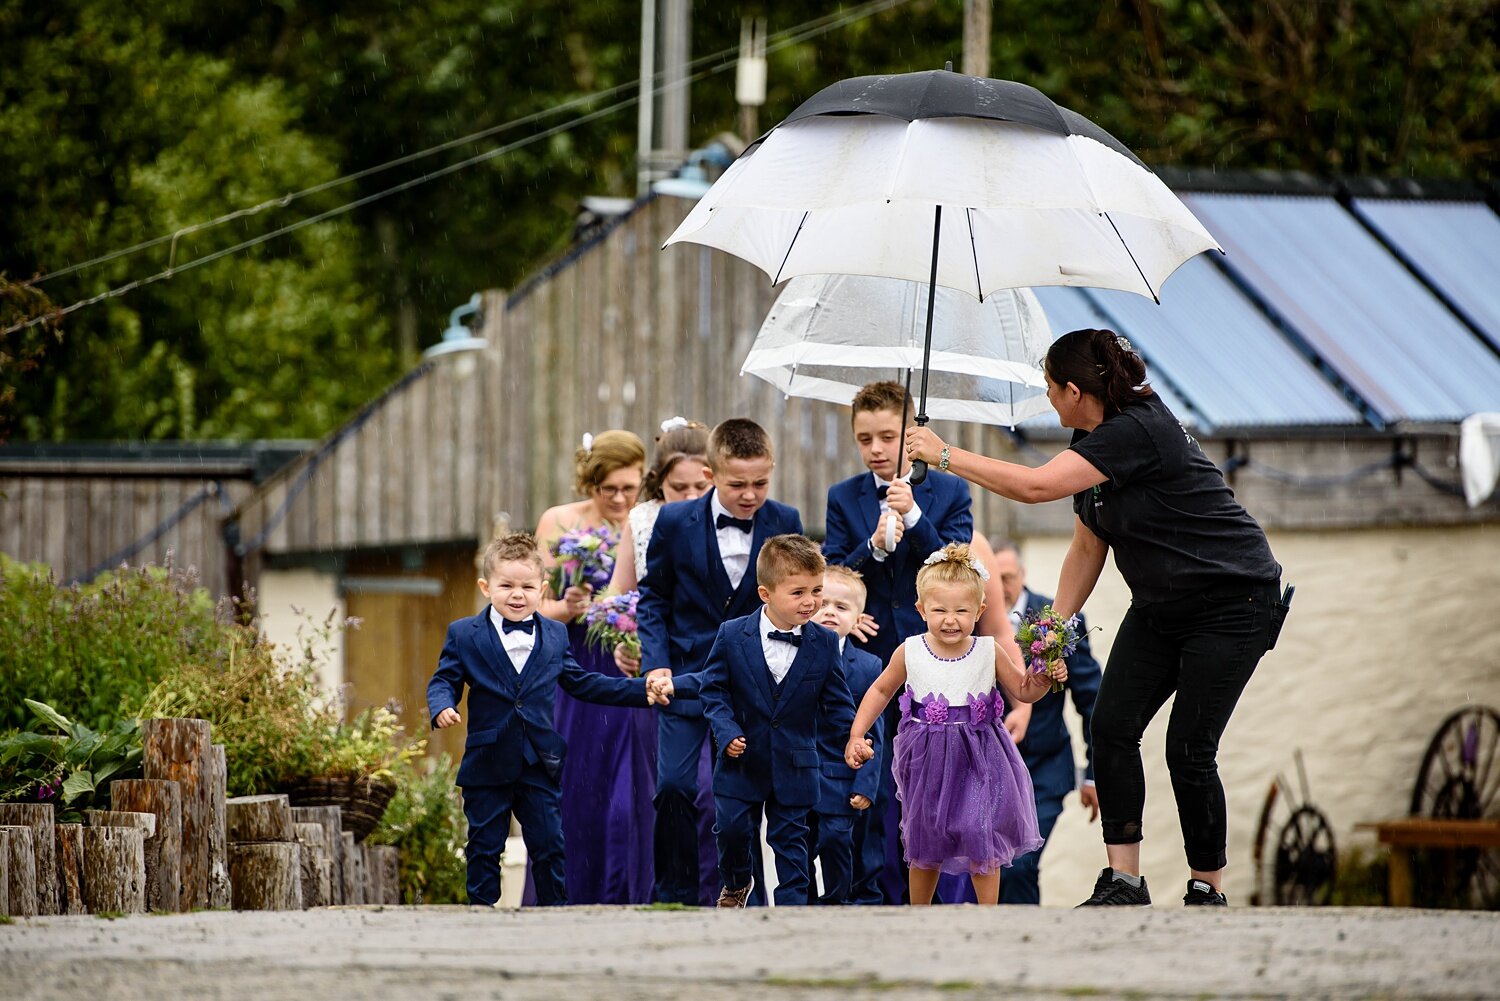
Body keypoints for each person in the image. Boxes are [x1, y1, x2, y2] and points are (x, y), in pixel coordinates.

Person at [904, 328, 1283, 907]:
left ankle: (1208, 887)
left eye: (1052, 389)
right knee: (1111, 726)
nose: (1050, 401)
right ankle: (1124, 881)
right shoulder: (1092, 439)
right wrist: (1051, 634)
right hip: (1161, 607)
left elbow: (1033, 488)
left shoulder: (1137, 428)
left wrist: (945, 454)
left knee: (1188, 745)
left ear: (1075, 390)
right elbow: (1087, 549)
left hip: (1233, 602)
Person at [426, 533, 674, 907]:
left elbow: (584, 683)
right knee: (483, 845)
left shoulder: (556, 635)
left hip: (539, 761)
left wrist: (641, 689)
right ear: (485, 587)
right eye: (506, 585)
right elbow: (444, 678)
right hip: (487, 761)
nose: (516, 594)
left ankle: (554, 914)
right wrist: (443, 705)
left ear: (542, 590)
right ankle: (480, 914)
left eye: (526, 586)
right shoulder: (464, 634)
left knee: (550, 844)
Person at [637, 418, 802, 905]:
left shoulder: (784, 519)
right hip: (684, 677)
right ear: (710, 473)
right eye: (737, 484)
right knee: (671, 786)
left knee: (741, 797)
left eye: (760, 483)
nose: (750, 495)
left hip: (751, 684)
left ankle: (745, 893)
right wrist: (655, 661)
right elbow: (653, 598)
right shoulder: (673, 522)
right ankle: (675, 894)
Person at [823, 379, 973, 904]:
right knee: (874, 781)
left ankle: (935, 899)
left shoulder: (950, 491)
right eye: (865, 439)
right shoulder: (843, 497)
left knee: (935, 782)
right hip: (870, 662)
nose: (876, 449)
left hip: (934, 656)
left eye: (887, 435)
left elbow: (960, 567)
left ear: (911, 434)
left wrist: (914, 518)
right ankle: (873, 895)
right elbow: (835, 574)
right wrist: (874, 550)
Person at [844, 542, 1057, 905]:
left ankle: (986, 912)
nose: (950, 619)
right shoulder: (909, 650)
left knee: (980, 833)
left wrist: (1043, 675)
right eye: (939, 609)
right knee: (925, 837)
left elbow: (1023, 691)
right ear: (921, 609)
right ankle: (920, 911)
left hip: (980, 756)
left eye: (962, 610)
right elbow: (880, 691)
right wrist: (856, 733)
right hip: (926, 759)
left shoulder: (989, 650)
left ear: (981, 610)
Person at [669, 534, 855, 906]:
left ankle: (793, 913)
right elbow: (713, 690)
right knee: (733, 831)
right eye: (798, 592)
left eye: (816, 591)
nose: (811, 602)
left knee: (792, 844)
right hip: (741, 761)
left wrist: (855, 737)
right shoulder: (732, 634)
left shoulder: (823, 642)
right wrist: (726, 730)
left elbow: (837, 703)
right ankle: (738, 882)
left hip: (796, 763)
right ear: (766, 594)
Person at [533, 429, 654, 904]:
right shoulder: (559, 522)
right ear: (590, 483)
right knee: (580, 786)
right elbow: (534, 606)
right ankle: (570, 894)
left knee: (631, 791)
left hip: (633, 663)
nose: (621, 498)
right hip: (577, 666)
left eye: (631, 487)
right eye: (610, 490)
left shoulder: (649, 522)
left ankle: (625, 892)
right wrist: (569, 607)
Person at [981, 537, 1102, 906]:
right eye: (993, 578)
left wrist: (1094, 773)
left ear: (1023, 573)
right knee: (985, 864)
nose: (1002, 587)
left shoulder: (1055, 620)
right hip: (988, 768)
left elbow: (1091, 699)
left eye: (1009, 577)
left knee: (1018, 862)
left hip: (1043, 767)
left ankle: (1024, 940)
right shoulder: (970, 616)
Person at [807, 565, 885, 905]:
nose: (829, 612)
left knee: (837, 841)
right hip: (799, 773)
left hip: (843, 775)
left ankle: (840, 901)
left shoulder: (869, 666)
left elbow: (875, 733)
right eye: (822, 604)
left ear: (858, 619)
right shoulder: (788, 657)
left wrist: (865, 783)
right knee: (798, 847)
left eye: (841, 607)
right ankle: (802, 903)